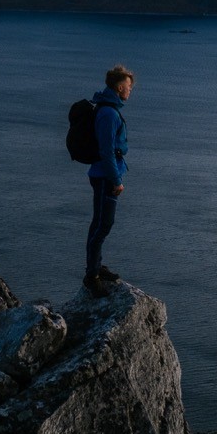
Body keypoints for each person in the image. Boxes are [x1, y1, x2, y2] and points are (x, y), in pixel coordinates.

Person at [84, 65, 134, 296]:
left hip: (104, 174)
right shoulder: (108, 114)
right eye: (129, 87)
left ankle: (96, 267)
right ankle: (91, 276)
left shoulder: (108, 109)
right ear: (119, 87)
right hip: (105, 177)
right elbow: (106, 151)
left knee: (100, 222)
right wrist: (116, 181)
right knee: (104, 224)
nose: (130, 91)